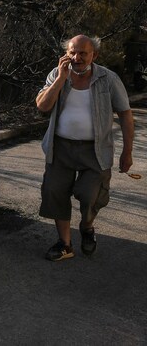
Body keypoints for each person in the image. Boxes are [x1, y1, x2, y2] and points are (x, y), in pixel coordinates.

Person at [35, 35, 135, 261]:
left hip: (95, 149)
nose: (76, 57)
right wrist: (61, 79)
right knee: (54, 191)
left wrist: (127, 151)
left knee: (91, 195)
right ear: (66, 53)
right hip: (61, 147)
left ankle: (87, 226)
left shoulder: (108, 79)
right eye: (72, 52)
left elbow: (126, 115)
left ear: (94, 55)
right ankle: (65, 244)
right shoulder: (57, 73)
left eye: (82, 53)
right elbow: (42, 106)